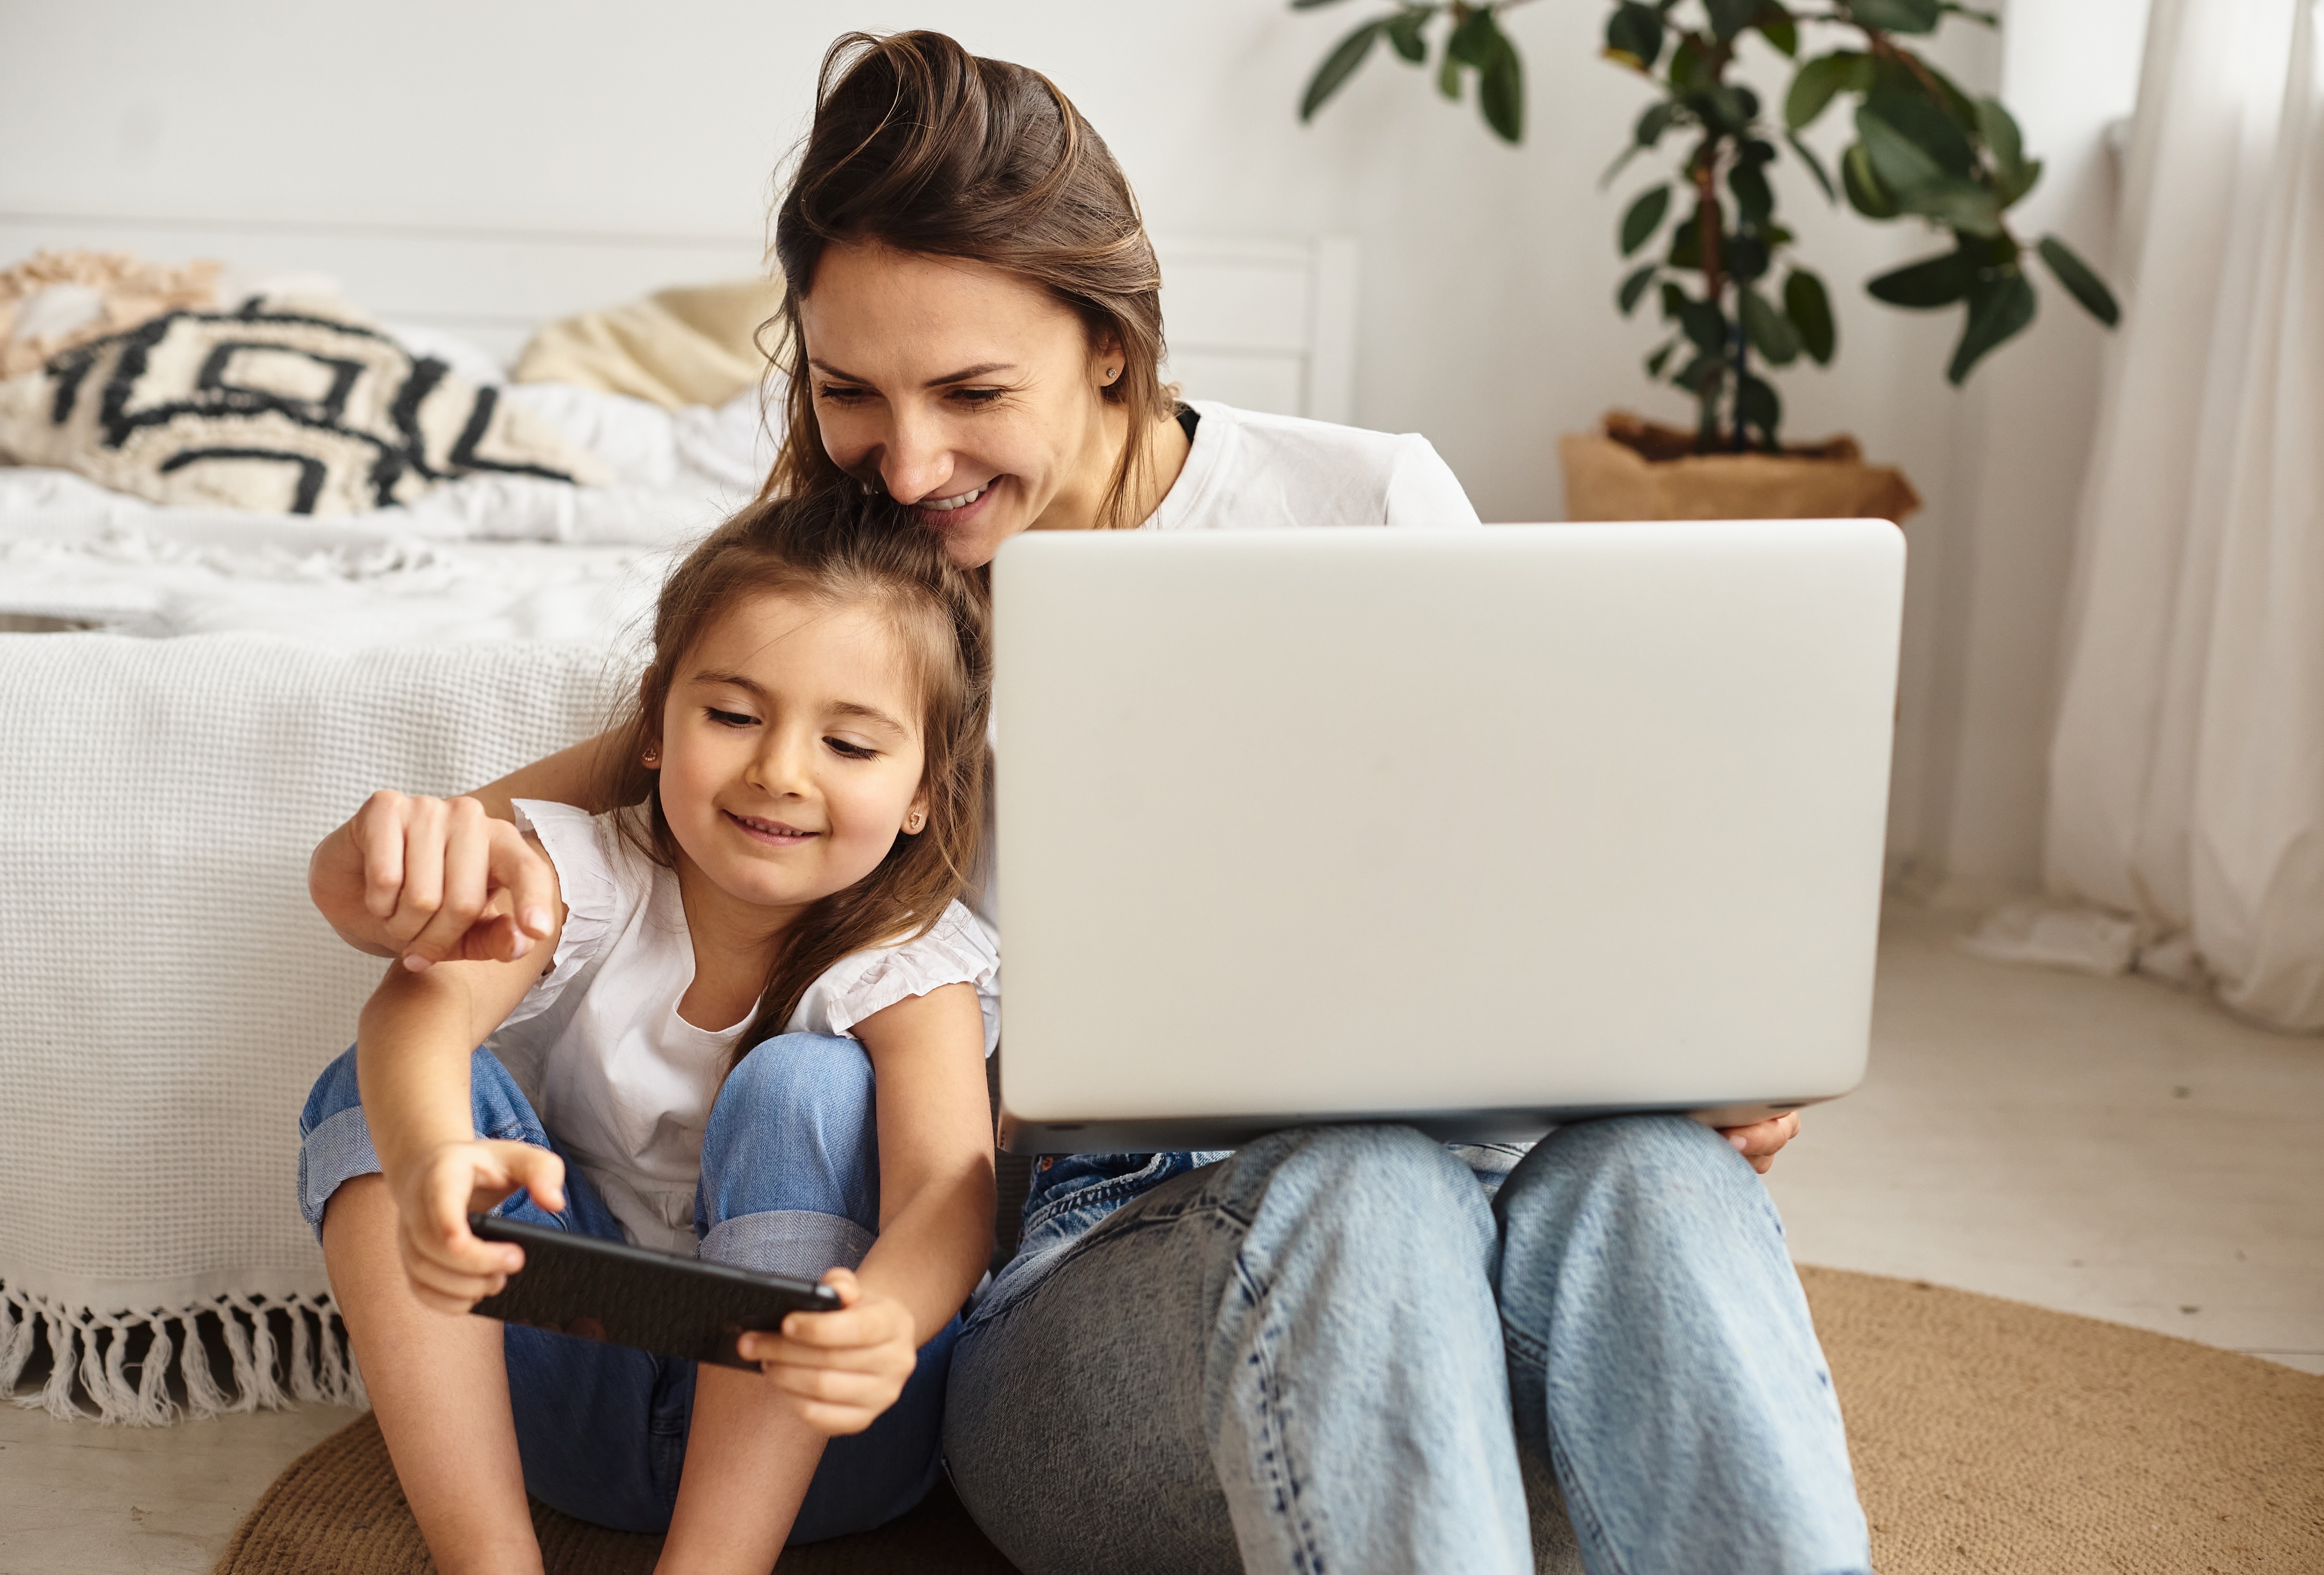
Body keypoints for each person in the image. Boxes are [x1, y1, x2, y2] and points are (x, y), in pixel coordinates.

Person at [304, 30, 1866, 1575]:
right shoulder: (870, 592)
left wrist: (1694, 1046)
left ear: (1113, 343)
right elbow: (620, 781)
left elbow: (1556, 862)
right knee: (1360, 1185)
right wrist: (398, 856)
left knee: (1657, 1167)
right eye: (852, 391)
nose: (907, 463)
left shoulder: (1366, 505)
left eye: (973, 391)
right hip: (1098, 1293)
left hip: (1473, 1274)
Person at [298, 485, 1000, 1575]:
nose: (780, 771)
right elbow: (421, 1014)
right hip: (575, 1407)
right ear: (655, 724)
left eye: (852, 744)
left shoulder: (911, 957)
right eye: (732, 717)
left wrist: (888, 1319)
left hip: (823, 1429)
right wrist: (436, 1154)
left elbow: (948, 1187)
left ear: (924, 790)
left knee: (804, 1083)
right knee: (371, 1089)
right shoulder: (578, 875)